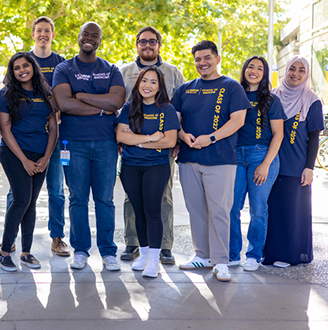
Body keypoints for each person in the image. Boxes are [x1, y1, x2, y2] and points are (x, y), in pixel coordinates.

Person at [171, 40, 250, 282]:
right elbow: (175, 120)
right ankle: (202, 255)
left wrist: (211, 138)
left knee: (219, 211)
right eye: (197, 59)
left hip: (220, 160)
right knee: (196, 210)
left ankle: (220, 261)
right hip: (188, 159)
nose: (202, 63)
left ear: (217, 58)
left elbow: (237, 121)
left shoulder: (232, 87)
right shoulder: (185, 89)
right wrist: (183, 135)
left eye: (206, 58)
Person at [52, 21, 126, 271]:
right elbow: (64, 104)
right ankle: (81, 251)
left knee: (105, 199)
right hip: (72, 144)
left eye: (95, 35)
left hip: (106, 143)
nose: (90, 38)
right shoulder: (64, 69)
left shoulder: (111, 69)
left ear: (99, 40)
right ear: (79, 37)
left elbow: (116, 101)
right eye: (86, 34)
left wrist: (81, 96)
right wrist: (101, 108)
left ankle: (108, 252)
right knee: (77, 198)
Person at [0, 16, 69, 257]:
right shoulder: (21, 62)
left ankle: (57, 238)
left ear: (53, 35)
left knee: (56, 190)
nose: (43, 34)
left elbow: (64, 99)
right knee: (17, 195)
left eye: (47, 31)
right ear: (33, 34)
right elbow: (6, 121)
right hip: (20, 143)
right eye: (39, 30)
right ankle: (10, 240)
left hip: (51, 139)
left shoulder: (61, 64)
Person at [119, 26, 185, 264]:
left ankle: (164, 246)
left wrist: (176, 139)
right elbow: (120, 111)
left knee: (163, 196)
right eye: (143, 41)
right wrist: (126, 140)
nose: (147, 45)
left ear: (159, 45)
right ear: (136, 44)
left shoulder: (173, 72)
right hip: (131, 149)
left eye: (152, 42)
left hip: (163, 146)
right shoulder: (124, 71)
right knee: (132, 197)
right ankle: (132, 243)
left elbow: (181, 109)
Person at [0, 52, 58, 271]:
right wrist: (23, 160)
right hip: (15, 154)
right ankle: (4, 253)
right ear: (12, 72)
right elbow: (5, 129)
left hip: (40, 155)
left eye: (26, 65)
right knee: (21, 200)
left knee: (31, 203)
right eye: (16, 67)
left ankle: (26, 252)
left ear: (33, 67)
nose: (22, 70)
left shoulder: (46, 92)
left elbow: (53, 128)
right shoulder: (6, 94)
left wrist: (46, 157)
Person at [116, 66, 179, 277]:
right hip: (130, 166)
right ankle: (143, 255)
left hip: (156, 166)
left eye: (153, 82)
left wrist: (136, 141)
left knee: (153, 211)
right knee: (138, 210)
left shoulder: (166, 109)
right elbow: (121, 137)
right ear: (138, 83)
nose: (148, 85)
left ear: (159, 86)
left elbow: (169, 141)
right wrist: (151, 139)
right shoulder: (129, 107)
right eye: (144, 80)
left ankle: (154, 260)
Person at [263, 56, 324, 267]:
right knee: (272, 210)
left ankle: (291, 255)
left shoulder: (311, 99)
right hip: (270, 163)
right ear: (285, 70)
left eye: (301, 70)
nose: (295, 74)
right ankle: (270, 254)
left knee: (292, 211)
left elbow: (314, 137)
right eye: (292, 69)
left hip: (296, 165)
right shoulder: (273, 96)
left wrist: (309, 167)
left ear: (306, 74)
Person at [229, 56, 285, 272]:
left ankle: (254, 254)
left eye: (259, 68)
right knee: (232, 207)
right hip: (235, 156)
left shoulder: (271, 100)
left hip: (261, 156)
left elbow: (278, 135)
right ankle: (233, 254)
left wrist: (265, 164)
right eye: (250, 67)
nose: (254, 71)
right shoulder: (233, 95)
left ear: (264, 74)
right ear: (243, 70)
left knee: (258, 209)